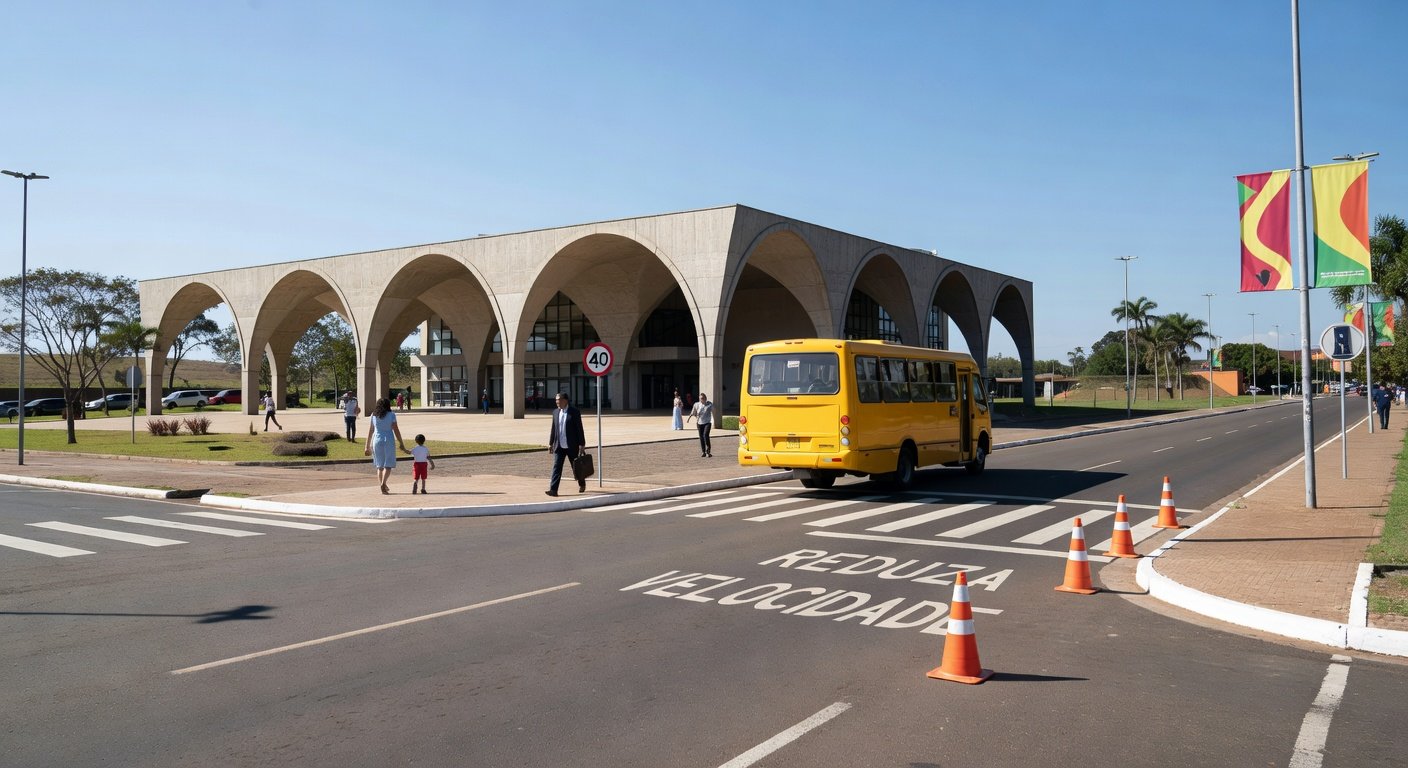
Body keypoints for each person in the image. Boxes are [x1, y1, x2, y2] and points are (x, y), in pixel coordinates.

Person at [364, 397, 409, 494]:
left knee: (379, 465)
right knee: (388, 464)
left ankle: (382, 485)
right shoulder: (391, 415)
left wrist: (366, 446)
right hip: (388, 440)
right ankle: (383, 483)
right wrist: (401, 443)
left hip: (376, 440)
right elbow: (396, 430)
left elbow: (370, 431)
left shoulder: (373, 415)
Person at [546, 392, 586, 496]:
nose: (557, 402)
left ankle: (582, 483)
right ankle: (553, 490)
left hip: (571, 445)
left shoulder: (574, 412)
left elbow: (579, 428)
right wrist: (550, 443)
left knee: (576, 467)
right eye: (556, 400)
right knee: (557, 467)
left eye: (558, 400)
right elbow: (553, 429)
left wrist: (582, 444)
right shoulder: (555, 412)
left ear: (565, 400)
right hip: (559, 445)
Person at [686, 391, 715, 458]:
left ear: (705, 398)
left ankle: (708, 451)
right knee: (701, 437)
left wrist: (713, 420)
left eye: (702, 398)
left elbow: (713, 410)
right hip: (699, 423)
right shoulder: (696, 404)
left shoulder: (709, 404)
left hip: (707, 422)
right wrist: (690, 418)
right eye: (700, 398)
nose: (701, 400)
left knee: (705, 435)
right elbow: (693, 412)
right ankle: (703, 452)